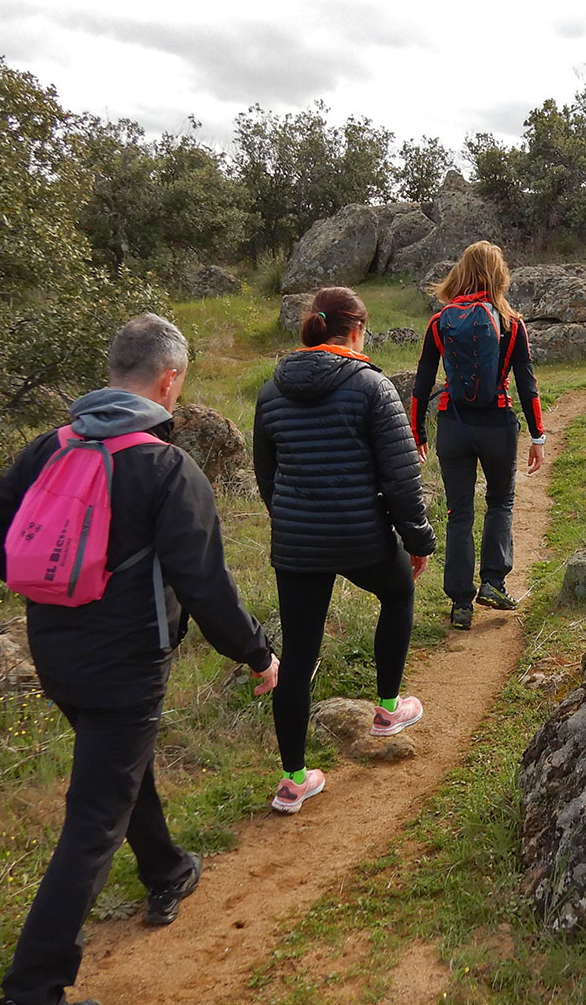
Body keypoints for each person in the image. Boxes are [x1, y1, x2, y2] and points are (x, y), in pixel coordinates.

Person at [0, 313, 280, 1005]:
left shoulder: (48, 446)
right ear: (169, 382)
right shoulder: (167, 467)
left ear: (113, 372)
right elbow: (205, 585)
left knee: (116, 769)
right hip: (127, 662)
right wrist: (259, 654)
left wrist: (57, 585)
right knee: (93, 819)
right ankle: (33, 987)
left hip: (52, 652)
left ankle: (165, 870)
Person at [253, 286, 436, 814]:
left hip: (297, 543)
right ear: (358, 329)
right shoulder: (373, 388)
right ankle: (387, 709)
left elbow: (267, 476)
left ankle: (292, 781)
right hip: (362, 537)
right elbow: (401, 479)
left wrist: (292, 517)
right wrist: (418, 539)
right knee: (398, 591)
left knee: (298, 656)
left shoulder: (271, 391)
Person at [409, 241, 546, 631]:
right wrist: (538, 435)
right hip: (497, 424)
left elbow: (421, 383)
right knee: (500, 502)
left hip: (453, 425)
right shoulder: (511, 324)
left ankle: (460, 604)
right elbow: (527, 383)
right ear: (499, 275)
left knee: (458, 515)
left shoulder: (439, 323)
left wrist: (418, 430)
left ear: (460, 271)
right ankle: (493, 582)